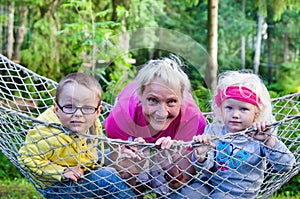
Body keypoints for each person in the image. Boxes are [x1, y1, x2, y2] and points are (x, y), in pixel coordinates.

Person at [18, 72, 135, 199]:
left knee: (118, 155)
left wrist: (117, 152)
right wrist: (61, 172)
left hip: (80, 165)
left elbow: (93, 148)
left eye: (87, 108)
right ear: (57, 109)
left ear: (98, 111)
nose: (78, 114)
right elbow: (26, 158)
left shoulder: (91, 122)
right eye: (69, 106)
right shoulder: (48, 132)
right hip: (57, 187)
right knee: (108, 177)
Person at [104, 54, 207, 197]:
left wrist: (170, 165)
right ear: (139, 95)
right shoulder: (121, 116)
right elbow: (119, 184)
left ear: (182, 99)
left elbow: (179, 183)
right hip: (133, 139)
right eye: (153, 100)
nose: (161, 113)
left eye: (171, 101)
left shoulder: (193, 120)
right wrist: (133, 167)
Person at [191, 70, 296, 199]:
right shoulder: (214, 130)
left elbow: (286, 166)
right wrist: (202, 155)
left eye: (244, 109)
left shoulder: (260, 135)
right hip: (207, 184)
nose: (235, 115)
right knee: (186, 194)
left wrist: (269, 141)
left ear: (256, 113)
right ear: (221, 108)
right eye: (229, 107)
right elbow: (203, 169)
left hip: (240, 194)